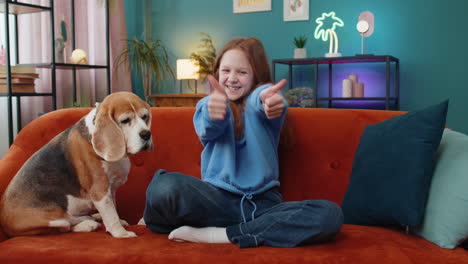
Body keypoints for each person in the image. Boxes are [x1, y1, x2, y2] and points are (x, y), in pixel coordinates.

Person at [142, 37, 343, 248]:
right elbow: (209, 129)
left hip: (263, 206)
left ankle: (224, 235)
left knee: (329, 214)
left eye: (242, 72)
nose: (232, 78)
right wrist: (215, 112)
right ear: (217, 72)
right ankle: (244, 231)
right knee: (163, 186)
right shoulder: (208, 104)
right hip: (216, 201)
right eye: (226, 71)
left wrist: (271, 100)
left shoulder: (261, 100)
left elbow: (265, 101)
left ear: (256, 75)